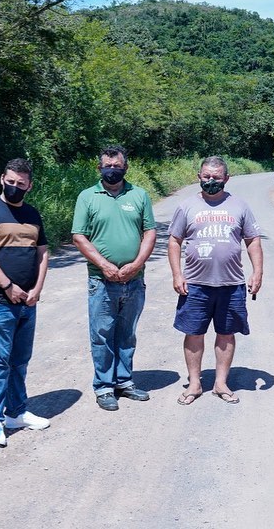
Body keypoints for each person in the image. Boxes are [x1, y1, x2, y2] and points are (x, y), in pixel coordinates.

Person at [167, 156, 263, 406]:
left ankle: (220, 383)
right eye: (207, 176)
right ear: (199, 176)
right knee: (194, 333)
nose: (211, 181)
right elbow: (174, 241)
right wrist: (177, 274)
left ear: (226, 179)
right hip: (195, 284)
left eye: (217, 177)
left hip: (231, 284)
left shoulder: (240, 206)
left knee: (226, 333)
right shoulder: (186, 206)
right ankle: (195, 383)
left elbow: (252, 240)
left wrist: (257, 272)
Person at [0, 158, 50, 446]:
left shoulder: (32, 214)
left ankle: (16, 412)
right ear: (2, 178)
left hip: (28, 301)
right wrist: (8, 286)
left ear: (29, 185)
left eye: (21, 183)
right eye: (10, 181)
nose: (15, 187)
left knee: (20, 361)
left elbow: (42, 252)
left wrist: (37, 288)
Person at [72, 145, 157, 412]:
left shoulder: (140, 195)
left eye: (117, 166)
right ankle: (104, 387)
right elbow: (79, 237)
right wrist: (104, 265)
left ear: (125, 168)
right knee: (102, 335)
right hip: (101, 280)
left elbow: (149, 233)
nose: (112, 170)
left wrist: (137, 264)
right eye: (107, 166)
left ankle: (125, 382)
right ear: (99, 168)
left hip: (134, 279)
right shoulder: (88, 197)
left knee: (127, 334)